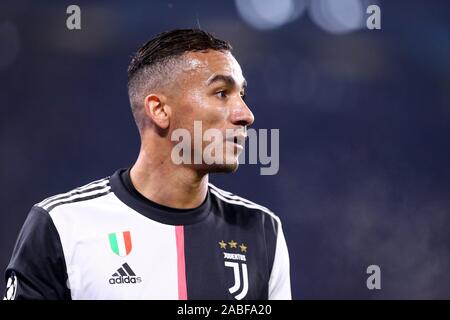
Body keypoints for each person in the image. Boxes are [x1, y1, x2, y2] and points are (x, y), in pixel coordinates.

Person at [3, 29, 291, 300]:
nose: (246, 114)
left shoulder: (261, 230)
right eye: (221, 93)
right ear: (159, 109)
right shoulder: (62, 225)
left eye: (241, 94)